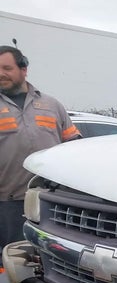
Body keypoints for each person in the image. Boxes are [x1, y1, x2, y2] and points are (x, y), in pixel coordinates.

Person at [0, 45, 81, 249]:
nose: (1, 74)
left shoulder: (51, 105)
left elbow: (75, 145)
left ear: (23, 69)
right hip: (9, 203)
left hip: (53, 198)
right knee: (14, 257)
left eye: (7, 68)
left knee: (54, 254)